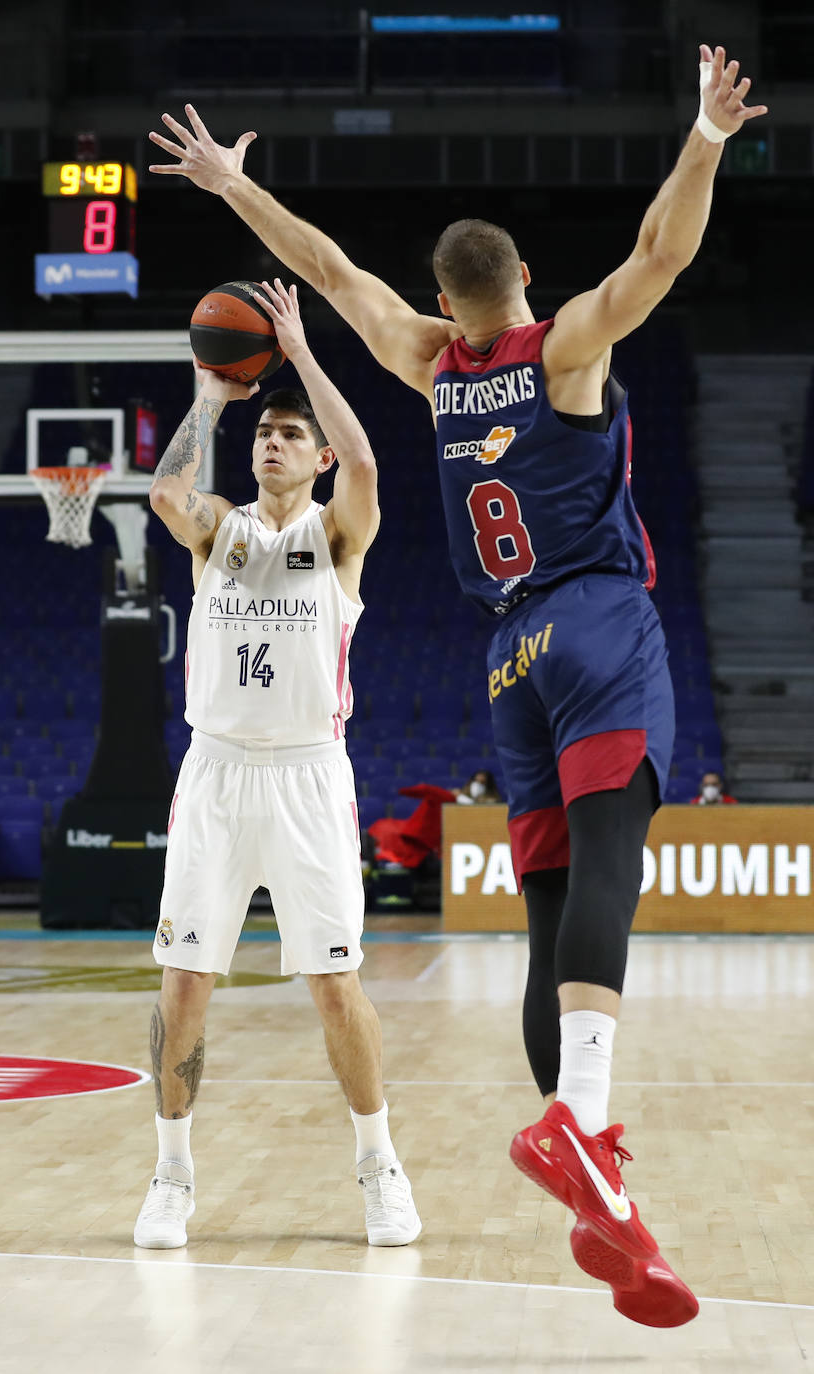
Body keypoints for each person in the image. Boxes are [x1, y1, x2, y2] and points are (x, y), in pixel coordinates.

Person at [149, 43, 766, 1324]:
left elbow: (323, 268)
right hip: (594, 620)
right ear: (525, 284)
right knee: (611, 864)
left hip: (506, 660)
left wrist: (226, 184)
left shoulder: (429, 363)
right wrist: (702, 138)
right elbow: (660, 253)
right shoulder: (562, 352)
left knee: (548, 915)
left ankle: (593, 1181)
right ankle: (580, 1127)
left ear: (441, 296)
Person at [133, 279, 420, 1251]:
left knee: (335, 985)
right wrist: (214, 397)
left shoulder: (334, 538)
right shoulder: (218, 531)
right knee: (182, 982)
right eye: (268, 435)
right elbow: (165, 494)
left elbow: (371, 462)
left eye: (292, 436)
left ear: (318, 457)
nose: (274, 444)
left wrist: (298, 356)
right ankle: (171, 1174)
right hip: (214, 774)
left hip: (306, 774)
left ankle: (378, 1163)